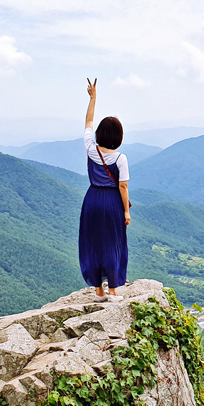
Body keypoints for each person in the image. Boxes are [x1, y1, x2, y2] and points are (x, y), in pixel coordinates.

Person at [78, 78, 131, 301]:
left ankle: (98, 290)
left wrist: (93, 98)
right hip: (111, 203)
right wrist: (126, 211)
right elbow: (123, 185)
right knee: (113, 243)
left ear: (100, 134)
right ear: (118, 137)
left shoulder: (91, 149)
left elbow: (88, 121)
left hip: (91, 200)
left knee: (93, 242)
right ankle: (112, 290)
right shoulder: (120, 158)